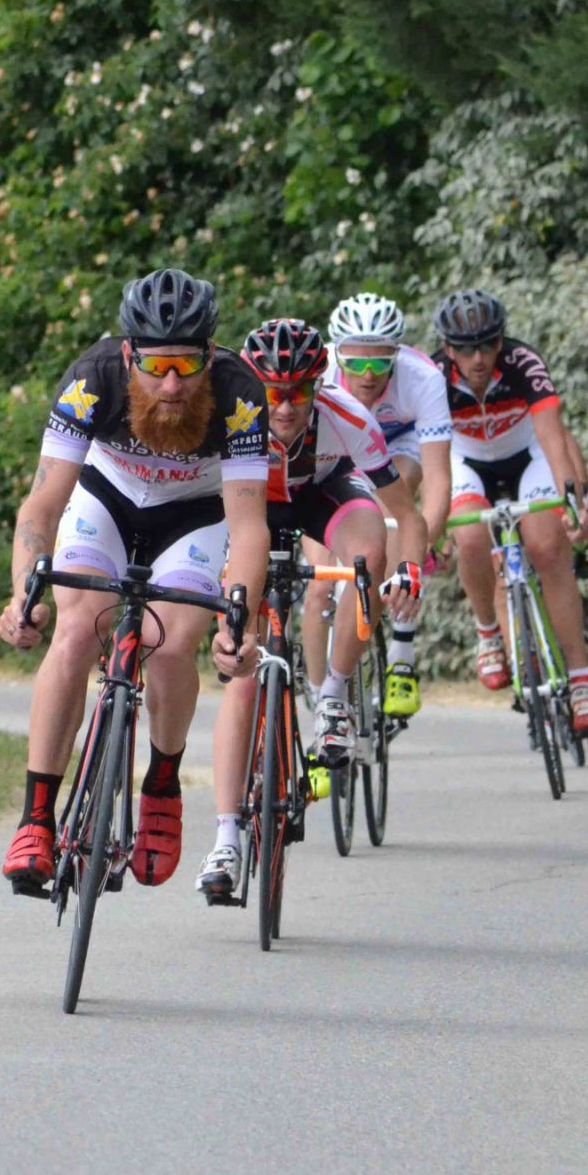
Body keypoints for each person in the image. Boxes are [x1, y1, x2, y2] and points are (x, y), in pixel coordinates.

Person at [0, 267, 270, 890]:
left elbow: (248, 527)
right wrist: (22, 593)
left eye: (186, 364)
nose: (171, 383)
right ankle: (36, 818)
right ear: (128, 356)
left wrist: (240, 623)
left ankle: (162, 785)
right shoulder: (92, 379)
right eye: (155, 365)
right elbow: (42, 505)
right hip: (107, 499)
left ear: (209, 357)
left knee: (171, 647)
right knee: (74, 632)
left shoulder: (239, 393)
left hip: (194, 515)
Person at [198, 317, 427, 897]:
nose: (284, 407)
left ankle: (333, 698)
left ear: (318, 385)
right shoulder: (225, 415)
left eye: (298, 393)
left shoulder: (348, 417)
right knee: (243, 665)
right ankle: (225, 838)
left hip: (324, 495)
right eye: (272, 392)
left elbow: (407, 514)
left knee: (367, 558)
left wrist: (410, 569)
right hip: (248, 509)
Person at [432, 288, 588, 733]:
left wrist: (573, 502)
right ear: (448, 349)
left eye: (488, 344)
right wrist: (430, 528)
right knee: (470, 536)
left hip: (528, 456)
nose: (478, 358)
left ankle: (581, 682)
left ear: (501, 340)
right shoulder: (433, 378)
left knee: (548, 549)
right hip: (466, 461)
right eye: (466, 348)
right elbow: (429, 459)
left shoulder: (523, 363)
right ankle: (488, 632)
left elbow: (553, 438)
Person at [310, 291, 453, 720]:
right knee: (319, 585)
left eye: (380, 362)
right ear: (338, 356)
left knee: (396, 497)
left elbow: (438, 477)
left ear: (398, 355)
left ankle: (401, 652)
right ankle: (321, 706)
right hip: (337, 448)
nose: (368, 375)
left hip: (395, 448)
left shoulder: (423, 378)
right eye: (356, 364)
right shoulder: (321, 374)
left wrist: (423, 547)